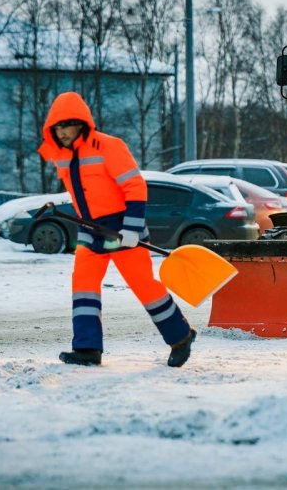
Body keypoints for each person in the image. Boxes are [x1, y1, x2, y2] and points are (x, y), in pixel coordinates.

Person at [38, 91, 196, 368]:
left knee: (143, 285)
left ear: (82, 123)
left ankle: (181, 336)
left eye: (66, 125)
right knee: (83, 287)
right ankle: (87, 348)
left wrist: (132, 227)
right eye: (57, 127)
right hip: (90, 229)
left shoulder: (108, 146)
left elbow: (135, 186)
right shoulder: (61, 156)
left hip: (122, 228)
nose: (61, 132)